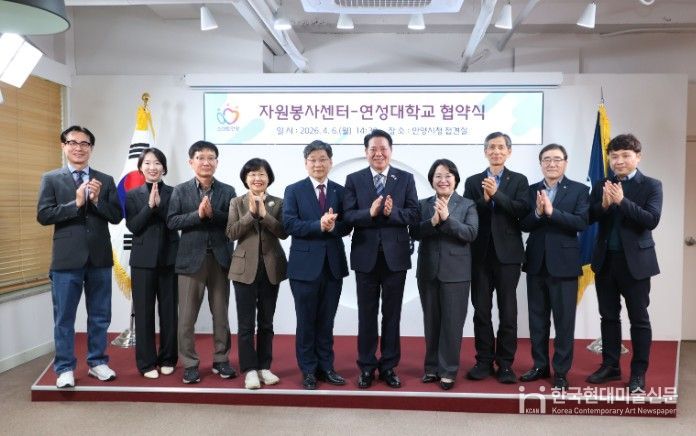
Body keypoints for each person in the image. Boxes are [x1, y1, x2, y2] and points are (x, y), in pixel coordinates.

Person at [37, 125, 123, 388]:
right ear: (64, 146)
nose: (78, 148)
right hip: (66, 260)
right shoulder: (51, 178)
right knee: (64, 318)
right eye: (72, 142)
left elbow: (116, 216)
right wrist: (75, 203)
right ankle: (64, 368)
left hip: (99, 258)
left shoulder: (105, 179)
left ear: (91, 148)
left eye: (84, 143)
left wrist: (96, 201)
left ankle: (97, 362)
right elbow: (44, 215)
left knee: (100, 315)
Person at [585, 134, 662, 394]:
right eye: (614, 156)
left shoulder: (651, 185)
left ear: (637, 157)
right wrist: (604, 205)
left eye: (625, 156)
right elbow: (589, 217)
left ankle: (638, 372)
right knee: (608, 316)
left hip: (636, 264)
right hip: (606, 261)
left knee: (639, 319)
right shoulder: (601, 184)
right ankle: (610, 366)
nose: (619, 161)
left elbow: (651, 220)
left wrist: (621, 201)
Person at [343, 129, 420, 389]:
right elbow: (348, 216)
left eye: (383, 148)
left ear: (391, 151)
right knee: (367, 315)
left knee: (392, 314)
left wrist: (392, 212)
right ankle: (366, 367)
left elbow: (414, 215)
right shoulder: (354, 179)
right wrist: (370, 212)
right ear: (365, 152)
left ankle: (388, 366)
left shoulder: (405, 178)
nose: (378, 153)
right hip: (365, 257)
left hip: (395, 258)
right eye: (373, 149)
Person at [518, 144, 589, 389]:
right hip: (536, 263)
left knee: (564, 321)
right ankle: (539, 365)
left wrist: (551, 212)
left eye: (557, 159)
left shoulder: (580, 190)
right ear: (540, 164)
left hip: (565, 265)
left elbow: (581, 222)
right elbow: (524, 224)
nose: (551, 163)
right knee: (537, 320)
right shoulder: (531, 190)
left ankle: (560, 371)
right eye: (546, 159)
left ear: (565, 162)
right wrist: (538, 214)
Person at [283, 140, 352, 390]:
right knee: (306, 321)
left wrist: (333, 227)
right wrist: (318, 225)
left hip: (332, 266)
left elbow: (348, 225)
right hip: (304, 268)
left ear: (330, 162)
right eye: (313, 160)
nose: (318, 164)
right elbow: (289, 224)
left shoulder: (340, 191)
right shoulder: (294, 190)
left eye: (323, 159)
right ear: (306, 163)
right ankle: (309, 370)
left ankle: (326, 367)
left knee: (326, 321)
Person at [167, 140, 237, 384]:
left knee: (221, 315)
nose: (206, 162)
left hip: (220, 259)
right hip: (190, 261)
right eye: (200, 157)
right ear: (191, 162)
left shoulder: (227, 190)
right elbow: (172, 221)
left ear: (217, 162)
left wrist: (212, 214)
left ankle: (221, 359)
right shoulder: (180, 190)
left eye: (210, 158)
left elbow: (233, 222)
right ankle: (190, 363)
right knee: (186, 318)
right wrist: (197, 215)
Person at [463, 132, 530, 384]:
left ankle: (505, 364)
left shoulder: (519, 180)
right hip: (479, 255)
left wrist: (497, 195)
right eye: (491, 147)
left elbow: (521, 210)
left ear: (508, 152)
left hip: (508, 256)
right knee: (481, 310)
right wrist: (484, 199)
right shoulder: (473, 181)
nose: (496, 151)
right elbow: (467, 211)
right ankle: (483, 360)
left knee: (508, 311)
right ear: (485, 151)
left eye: (501, 147)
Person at [410, 159, 478, 391]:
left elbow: (470, 233)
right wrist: (432, 221)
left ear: (455, 179)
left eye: (448, 176)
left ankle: (448, 370)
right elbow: (414, 232)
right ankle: (431, 368)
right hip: (428, 271)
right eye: (438, 176)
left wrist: (447, 220)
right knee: (431, 322)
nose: (443, 180)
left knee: (452, 324)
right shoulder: (423, 204)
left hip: (457, 273)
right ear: (432, 180)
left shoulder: (467, 204)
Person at [226, 158, 288, 390]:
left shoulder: (278, 202)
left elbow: (283, 232)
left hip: (271, 268)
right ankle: (250, 370)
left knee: (266, 322)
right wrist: (251, 214)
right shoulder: (237, 202)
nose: (257, 178)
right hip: (243, 270)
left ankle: (264, 366)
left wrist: (264, 214)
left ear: (268, 177)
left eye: (261, 174)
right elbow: (231, 233)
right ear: (245, 178)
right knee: (245, 324)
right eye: (252, 174)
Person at [125, 148, 179, 379]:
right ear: (140, 168)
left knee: (169, 312)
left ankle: (168, 358)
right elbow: (133, 226)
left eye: (157, 163)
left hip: (170, 259)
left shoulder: (175, 193)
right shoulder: (132, 195)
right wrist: (149, 207)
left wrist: (160, 205)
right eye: (147, 163)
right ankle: (146, 363)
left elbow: (175, 222)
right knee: (144, 313)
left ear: (164, 168)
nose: (152, 167)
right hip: (142, 261)